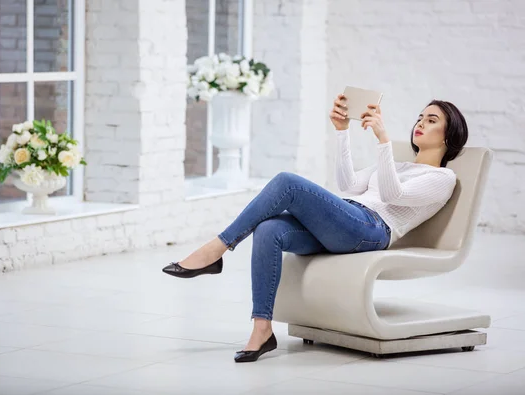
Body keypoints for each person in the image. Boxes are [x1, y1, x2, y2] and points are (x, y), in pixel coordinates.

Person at [162, 94, 469, 363]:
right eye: (420, 117)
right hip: (349, 220)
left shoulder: (442, 179)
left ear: (448, 135)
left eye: (431, 120)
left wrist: (383, 141)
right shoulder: (398, 164)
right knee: (269, 229)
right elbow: (348, 186)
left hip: (372, 230)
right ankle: (262, 328)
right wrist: (341, 133)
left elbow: (393, 196)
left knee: (286, 182)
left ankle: (216, 249)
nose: (421, 123)